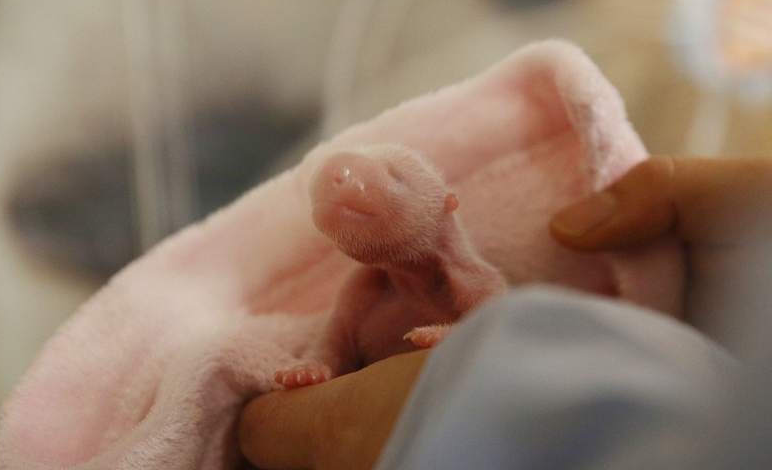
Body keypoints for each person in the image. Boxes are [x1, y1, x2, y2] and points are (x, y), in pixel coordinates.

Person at [238, 156, 772, 470]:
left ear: (445, 204)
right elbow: (331, 344)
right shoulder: (363, 286)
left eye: (396, 179)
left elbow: (491, 334)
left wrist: (460, 347)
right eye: (322, 196)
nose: (338, 182)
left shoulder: (480, 284)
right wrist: (315, 368)